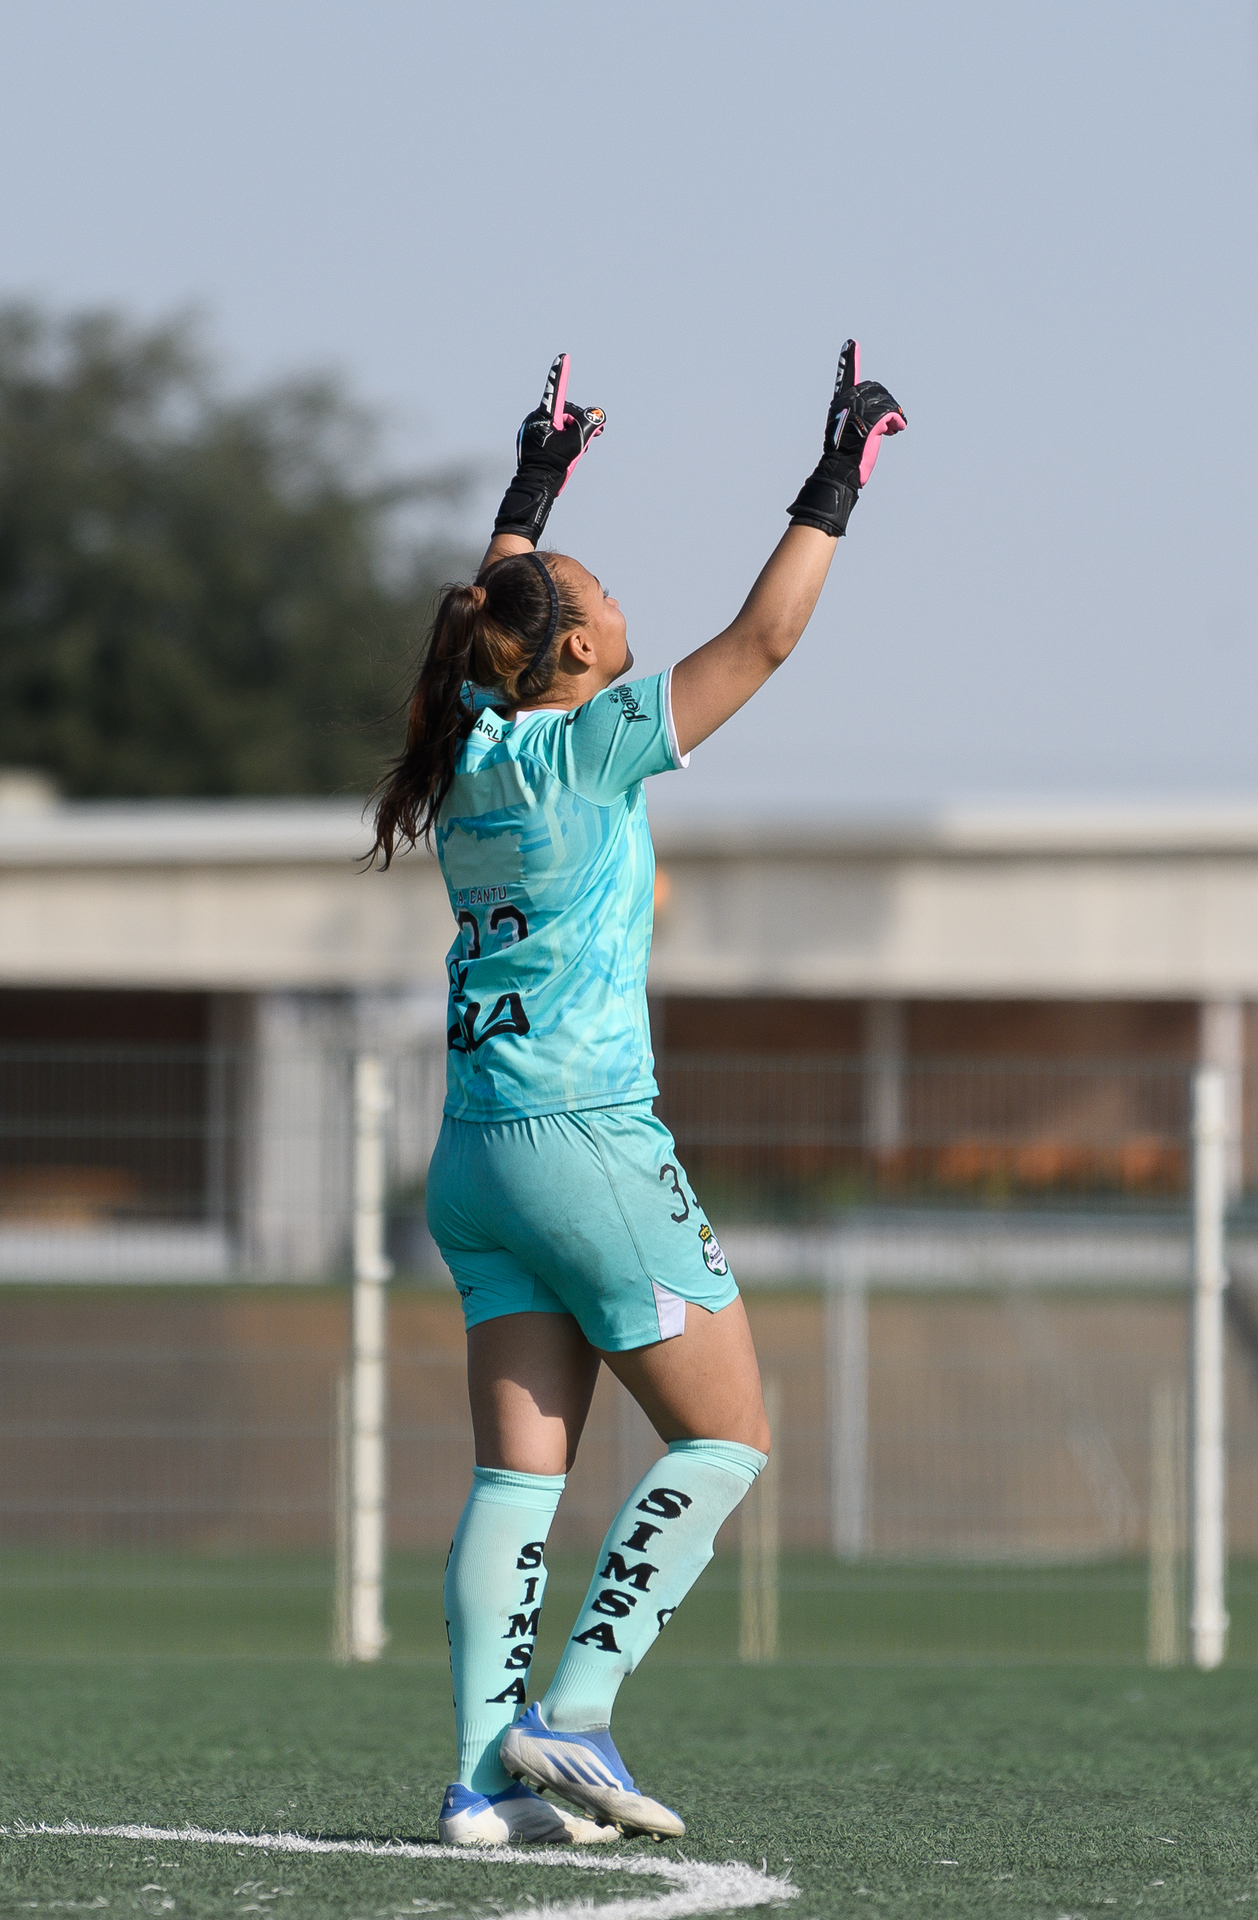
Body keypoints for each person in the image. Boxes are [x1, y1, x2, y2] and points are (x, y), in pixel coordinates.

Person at [371, 344, 906, 1846]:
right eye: (598, 596)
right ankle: (579, 1711)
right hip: (587, 1147)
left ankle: (483, 1782)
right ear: (579, 653)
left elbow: (495, 605)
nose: (614, 600)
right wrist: (838, 475)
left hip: (477, 1157)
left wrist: (533, 485)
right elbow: (765, 641)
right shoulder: (584, 747)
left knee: (518, 1476)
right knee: (726, 1438)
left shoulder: (470, 741)